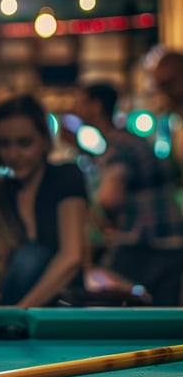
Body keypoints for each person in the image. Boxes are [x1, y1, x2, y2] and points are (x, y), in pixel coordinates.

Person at [0, 93, 89, 306]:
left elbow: (72, 257)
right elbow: (8, 263)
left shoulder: (67, 176)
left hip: (62, 309)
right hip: (18, 311)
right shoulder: (2, 192)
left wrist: (18, 312)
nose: (13, 154)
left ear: (44, 142)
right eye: (4, 144)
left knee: (32, 254)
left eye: (24, 143)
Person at [77, 82, 183, 306]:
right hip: (170, 239)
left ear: (96, 106)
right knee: (163, 318)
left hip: (147, 241)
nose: (76, 108)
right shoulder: (128, 139)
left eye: (81, 102)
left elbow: (110, 197)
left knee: (99, 286)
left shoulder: (117, 143)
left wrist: (86, 208)